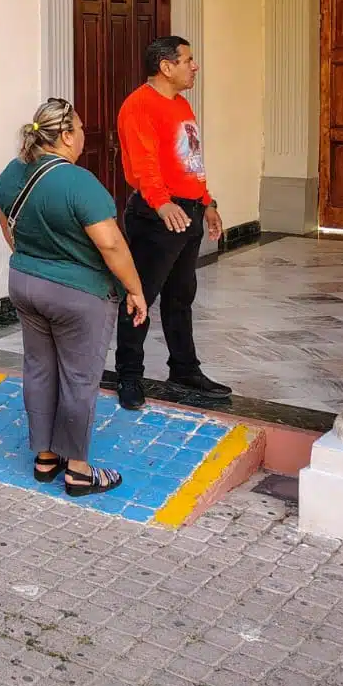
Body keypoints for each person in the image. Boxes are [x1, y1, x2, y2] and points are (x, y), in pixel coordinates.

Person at [0, 99, 149, 497]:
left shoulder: (14, 172)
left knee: (39, 369)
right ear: (65, 136)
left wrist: (27, 253)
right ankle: (78, 470)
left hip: (25, 283)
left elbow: (3, 214)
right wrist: (135, 289)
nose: (83, 135)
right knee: (79, 379)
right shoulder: (79, 182)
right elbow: (111, 245)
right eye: (80, 128)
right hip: (78, 295)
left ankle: (45, 457)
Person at [113, 36, 231, 410]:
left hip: (188, 211)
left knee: (181, 296)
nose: (194, 66)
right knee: (140, 296)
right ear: (166, 66)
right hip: (157, 215)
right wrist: (162, 204)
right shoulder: (139, 106)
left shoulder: (180, 104)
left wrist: (207, 201)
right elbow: (144, 165)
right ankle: (129, 374)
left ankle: (184, 369)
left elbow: (190, 162)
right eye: (188, 60)